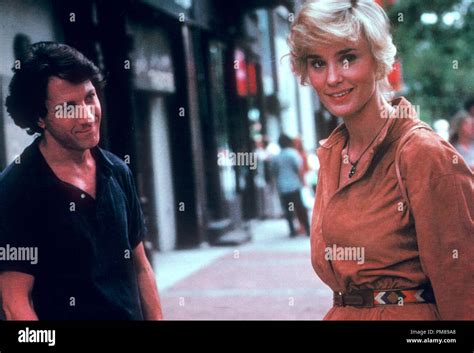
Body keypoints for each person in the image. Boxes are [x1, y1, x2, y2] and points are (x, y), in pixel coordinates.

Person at [289, 0, 473, 320]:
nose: (332, 78)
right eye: (318, 63)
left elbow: (463, 286)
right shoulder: (332, 155)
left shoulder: (422, 153)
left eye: (347, 58)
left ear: (378, 60)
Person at [0, 42, 163, 320]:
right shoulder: (16, 188)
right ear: (40, 118)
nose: (87, 116)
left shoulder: (116, 171)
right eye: (69, 107)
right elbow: (15, 302)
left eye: (90, 97)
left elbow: (140, 268)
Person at [270, 134, 310, 237]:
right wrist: (303, 182)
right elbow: (299, 169)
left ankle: (292, 230)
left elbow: (274, 172)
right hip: (294, 185)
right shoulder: (293, 154)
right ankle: (307, 228)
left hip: (282, 187)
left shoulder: (276, 157)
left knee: (288, 209)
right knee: (300, 207)